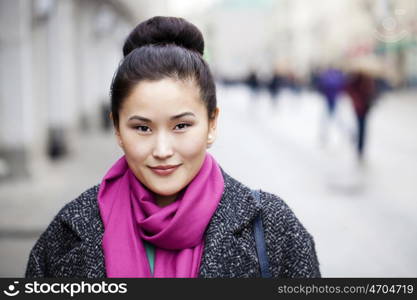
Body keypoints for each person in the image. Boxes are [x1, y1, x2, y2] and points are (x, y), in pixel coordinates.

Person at [25, 16, 320, 278]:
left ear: (212, 123)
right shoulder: (67, 234)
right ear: (116, 128)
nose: (163, 150)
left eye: (181, 126)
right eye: (142, 128)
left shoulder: (272, 229)